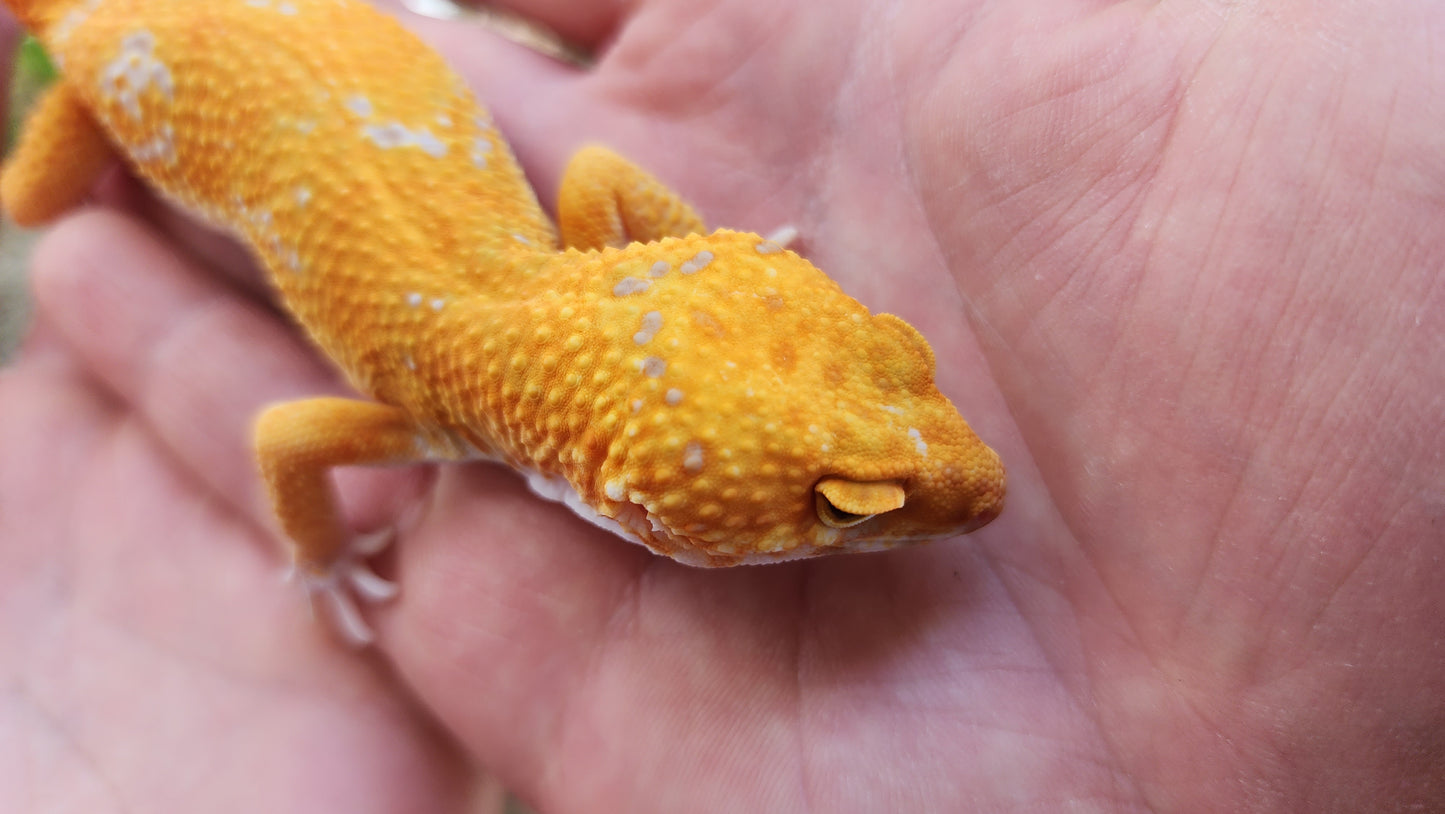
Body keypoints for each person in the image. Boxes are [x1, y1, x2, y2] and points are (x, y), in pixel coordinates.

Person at [2, 1, 1441, 811]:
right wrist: (318, 548)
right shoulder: (435, 392)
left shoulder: (542, 296)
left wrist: (723, 274)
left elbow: (611, 204)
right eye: (848, 504)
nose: (964, 484)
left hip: (289, 49)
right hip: (142, 56)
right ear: (618, 489)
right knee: (41, 204)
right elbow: (283, 435)